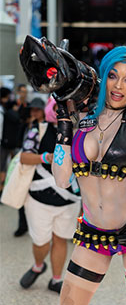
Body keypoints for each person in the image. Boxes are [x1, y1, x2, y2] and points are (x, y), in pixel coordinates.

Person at [20, 38, 126, 305]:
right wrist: (64, 127)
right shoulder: (83, 122)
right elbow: (62, 179)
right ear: (103, 76)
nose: (118, 85)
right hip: (93, 234)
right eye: (113, 75)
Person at [18, 97, 80, 293]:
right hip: (39, 198)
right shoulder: (38, 129)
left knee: (61, 238)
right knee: (41, 242)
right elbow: (24, 157)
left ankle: (56, 279)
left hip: (69, 199)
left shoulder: (80, 131)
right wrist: (47, 157)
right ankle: (38, 265)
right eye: (57, 107)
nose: (62, 111)